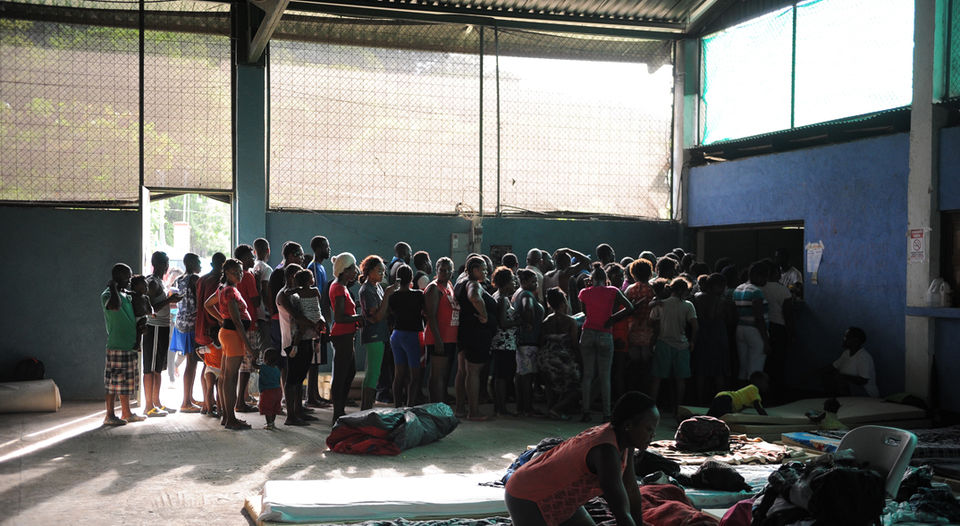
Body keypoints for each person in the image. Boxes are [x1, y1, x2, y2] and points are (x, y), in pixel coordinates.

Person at [504, 391, 659, 526]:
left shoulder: (625, 441)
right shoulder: (606, 452)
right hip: (527, 495)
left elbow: (631, 490)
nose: (653, 435)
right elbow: (621, 512)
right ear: (629, 425)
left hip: (562, 499)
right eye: (649, 429)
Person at [203, 258, 255, 430]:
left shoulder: (222, 289)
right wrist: (249, 347)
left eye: (241, 272)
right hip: (233, 335)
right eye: (235, 272)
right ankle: (230, 418)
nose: (239, 275)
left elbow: (208, 305)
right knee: (230, 378)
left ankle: (226, 416)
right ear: (226, 273)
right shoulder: (229, 291)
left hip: (227, 333)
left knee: (225, 376)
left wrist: (221, 319)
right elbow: (238, 321)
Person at [578, 263, 634, 422]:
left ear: (592, 279)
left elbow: (584, 312)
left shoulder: (584, 292)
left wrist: (588, 289)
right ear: (606, 278)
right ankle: (606, 413)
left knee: (588, 375)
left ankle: (586, 412)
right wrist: (612, 319)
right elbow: (630, 307)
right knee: (605, 375)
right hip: (605, 334)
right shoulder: (613, 291)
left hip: (588, 332)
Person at [101, 263, 146, 426]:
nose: (129, 280)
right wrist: (113, 287)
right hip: (117, 345)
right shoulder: (108, 294)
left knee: (125, 382)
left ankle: (126, 413)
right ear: (117, 277)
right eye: (127, 276)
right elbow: (115, 305)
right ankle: (109, 415)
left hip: (129, 344)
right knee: (113, 382)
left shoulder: (126, 294)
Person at [455, 256, 498, 421]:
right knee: (473, 372)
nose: (487, 272)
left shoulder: (460, 283)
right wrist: (485, 315)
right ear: (474, 270)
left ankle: (460, 408)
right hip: (476, 333)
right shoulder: (473, 284)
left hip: (464, 332)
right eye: (484, 269)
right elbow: (474, 297)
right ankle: (473, 411)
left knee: (462, 371)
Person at [276, 263, 318, 426]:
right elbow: (297, 316)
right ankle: (291, 415)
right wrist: (313, 323)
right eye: (298, 276)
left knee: (300, 377)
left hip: (303, 337)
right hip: (291, 340)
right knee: (292, 378)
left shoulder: (296, 294)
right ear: (291, 277)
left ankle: (299, 411)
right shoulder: (284, 295)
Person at [649, 277, 698, 416]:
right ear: (683, 290)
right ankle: (678, 409)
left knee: (657, 378)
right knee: (680, 380)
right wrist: (692, 341)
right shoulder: (688, 305)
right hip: (681, 345)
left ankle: (651, 408)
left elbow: (651, 322)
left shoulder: (660, 304)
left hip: (662, 343)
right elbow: (695, 326)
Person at [143, 251, 183, 417]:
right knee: (150, 369)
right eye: (165, 263)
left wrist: (172, 303)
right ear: (158, 265)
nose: (167, 267)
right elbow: (150, 309)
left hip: (163, 327)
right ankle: (148, 406)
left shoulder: (161, 281)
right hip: (154, 328)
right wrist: (169, 300)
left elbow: (162, 306)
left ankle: (156, 403)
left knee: (158, 368)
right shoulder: (152, 282)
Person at [358, 255, 399, 410]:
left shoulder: (377, 287)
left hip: (380, 334)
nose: (383, 273)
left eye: (383, 271)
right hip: (373, 334)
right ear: (369, 271)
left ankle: (367, 409)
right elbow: (376, 317)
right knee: (373, 373)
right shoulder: (367, 289)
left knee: (374, 373)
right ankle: (365, 409)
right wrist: (388, 295)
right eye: (379, 270)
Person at [691, 273, 737, 405]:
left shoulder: (696, 297)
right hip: (718, 336)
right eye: (722, 286)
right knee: (719, 371)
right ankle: (720, 401)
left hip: (701, 335)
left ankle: (699, 400)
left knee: (701, 371)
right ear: (717, 286)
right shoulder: (722, 301)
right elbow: (729, 319)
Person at [329, 252, 364, 423]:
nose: (356, 271)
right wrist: (360, 317)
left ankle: (340, 409)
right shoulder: (339, 288)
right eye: (352, 268)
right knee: (342, 374)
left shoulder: (341, 287)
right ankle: (337, 412)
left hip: (347, 334)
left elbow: (347, 310)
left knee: (349, 372)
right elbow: (340, 317)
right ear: (344, 270)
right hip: (342, 335)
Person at [538, 287, 581, 420]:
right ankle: (556, 409)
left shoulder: (546, 321)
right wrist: (580, 359)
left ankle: (551, 409)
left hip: (545, 357)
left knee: (550, 385)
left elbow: (541, 340)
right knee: (576, 387)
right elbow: (574, 343)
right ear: (563, 302)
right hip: (563, 358)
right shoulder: (570, 321)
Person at [388, 264, 425, 407]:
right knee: (415, 376)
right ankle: (410, 406)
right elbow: (426, 312)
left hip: (396, 335)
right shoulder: (418, 295)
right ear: (411, 278)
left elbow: (389, 313)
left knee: (399, 375)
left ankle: (397, 407)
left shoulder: (393, 296)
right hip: (412, 336)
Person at [423, 256, 459, 404]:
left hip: (450, 337)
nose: (444, 272)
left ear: (452, 271)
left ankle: (441, 402)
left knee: (444, 375)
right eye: (441, 270)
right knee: (437, 375)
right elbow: (431, 316)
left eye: (447, 270)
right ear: (437, 271)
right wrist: (438, 340)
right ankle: (435, 406)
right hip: (439, 338)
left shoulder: (449, 285)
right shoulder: (434, 288)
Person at [171, 253, 202, 413]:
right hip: (192, 324)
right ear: (192, 264)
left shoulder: (180, 279)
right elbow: (199, 301)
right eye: (198, 262)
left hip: (181, 323)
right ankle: (186, 402)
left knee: (191, 362)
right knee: (191, 364)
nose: (201, 265)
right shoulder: (195, 279)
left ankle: (190, 397)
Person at [196, 253, 226, 418]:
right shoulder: (217, 281)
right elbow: (212, 305)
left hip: (200, 325)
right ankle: (215, 405)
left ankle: (207, 405)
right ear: (221, 264)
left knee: (206, 367)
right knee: (218, 378)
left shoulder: (202, 279)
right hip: (211, 326)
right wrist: (218, 323)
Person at [233, 244, 262, 413]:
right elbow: (256, 301)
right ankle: (241, 401)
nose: (253, 259)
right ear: (243, 259)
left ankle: (241, 399)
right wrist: (258, 284)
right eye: (250, 257)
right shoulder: (248, 277)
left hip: (238, 325)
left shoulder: (233, 278)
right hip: (249, 324)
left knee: (241, 364)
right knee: (246, 365)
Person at [490, 266, 520, 417]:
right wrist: (518, 322)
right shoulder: (502, 299)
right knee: (502, 376)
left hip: (502, 342)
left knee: (500, 375)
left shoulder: (499, 296)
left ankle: (499, 406)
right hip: (504, 342)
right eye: (513, 280)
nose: (515, 283)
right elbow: (502, 322)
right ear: (506, 282)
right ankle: (501, 408)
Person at [306, 235, 332, 407]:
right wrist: (322, 320)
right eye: (326, 246)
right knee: (313, 360)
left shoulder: (321, 267)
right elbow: (317, 296)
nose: (328, 249)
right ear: (318, 248)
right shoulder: (314, 268)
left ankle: (315, 395)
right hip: (316, 319)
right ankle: (311, 397)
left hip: (320, 318)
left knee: (317, 359)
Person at [514, 268, 543, 417]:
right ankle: (527, 408)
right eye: (533, 281)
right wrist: (529, 321)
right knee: (527, 377)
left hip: (525, 341)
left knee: (522, 376)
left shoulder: (521, 293)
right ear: (524, 282)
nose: (535, 284)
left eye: (536, 281)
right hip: (528, 342)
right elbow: (527, 307)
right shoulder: (526, 295)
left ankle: (522, 407)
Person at [733, 263, 770, 382]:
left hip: (740, 329)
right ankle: (753, 397)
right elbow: (759, 317)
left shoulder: (738, 289)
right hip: (755, 331)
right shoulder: (756, 292)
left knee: (743, 368)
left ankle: (741, 396)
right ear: (757, 276)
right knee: (755, 369)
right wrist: (766, 340)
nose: (766, 281)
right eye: (764, 277)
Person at [624, 259, 655, 394]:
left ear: (633, 274)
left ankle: (634, 392)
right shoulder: (653, 290)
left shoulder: (630, 290)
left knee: (634, 365)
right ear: (649, 273)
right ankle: (646, 393)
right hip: (649, 331)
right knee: (647, 366)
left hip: (633, 331)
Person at [825, 327, 879, 397]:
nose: (844, 339)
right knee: (828, 375)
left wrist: (843, 377)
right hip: (852, 391)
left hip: (866, 394)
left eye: (847, 337)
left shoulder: (863, 356)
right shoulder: (846, 353)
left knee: (840, 380)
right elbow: (833, 366)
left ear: (856, 340)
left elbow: (863, 380)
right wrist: (815, 373)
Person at [258, 347, 283, 430]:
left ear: (265, 358)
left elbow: (255, 366)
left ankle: (269, 424)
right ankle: (272, 423)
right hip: (278, 391)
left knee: (267, 408)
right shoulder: (277, 369)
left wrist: (254, 359)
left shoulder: (263, 367)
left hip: (268, 391)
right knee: (274, 408)